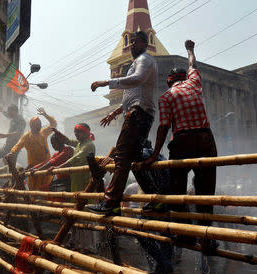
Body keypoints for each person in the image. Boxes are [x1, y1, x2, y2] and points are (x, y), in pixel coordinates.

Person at [143, 40, 217, 258]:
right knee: (206, 193)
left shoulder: (166, 96)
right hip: (206, 140)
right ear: (183, 78)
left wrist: (155, 154)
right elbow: (193, 64)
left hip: (183, 142)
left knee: (177, 191)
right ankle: (208, 238)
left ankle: (186, 234)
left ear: (168, 82)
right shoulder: (194, 82)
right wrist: (190, 50)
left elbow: (164, 127)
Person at [87, 31, 157, 214]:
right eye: (131, 41)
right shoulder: (139, 61)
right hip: (139, 113)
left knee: (122, 156)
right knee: (134, 158)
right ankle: (155, 197)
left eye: (135, 41)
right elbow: (132, 95)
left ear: (145, 43)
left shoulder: (145, 59)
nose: (132, 44)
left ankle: (110, 202)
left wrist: (106, 82)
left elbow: (137, 79)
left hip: (138, 114)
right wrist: (115, 112)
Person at [51, 124, 97, 253]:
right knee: (75, 215)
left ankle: (89, 247)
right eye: (75, 132)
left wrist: (60, 167)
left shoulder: (88, 145)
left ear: (86, 133)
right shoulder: (79, 143)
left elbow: (75, 159)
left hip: (85, 184)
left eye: (79, 132)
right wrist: (58, 133)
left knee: (86, 217)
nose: (76, 135)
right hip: (76, 184)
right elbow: (67, 141)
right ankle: (75, 242)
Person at [5, 107, 57, 191]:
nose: (39, 126)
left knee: (47, 188)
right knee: (34, 188)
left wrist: (45, 115)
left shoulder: (44, 132)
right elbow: (17, 146)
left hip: (46, 165)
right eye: (37, 124)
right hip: (33, 167)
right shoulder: (27, 137)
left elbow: (53, 124)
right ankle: (32, 202)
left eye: (39, 124)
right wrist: (12, 152)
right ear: (32, 125)